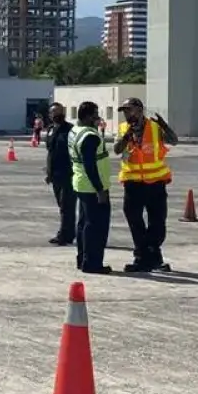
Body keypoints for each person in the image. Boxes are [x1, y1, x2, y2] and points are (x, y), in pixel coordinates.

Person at [114, 97, 178, 274]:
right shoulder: (123, 128)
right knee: (134, 220)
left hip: (155, 182)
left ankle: (151, 255)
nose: (127, 114)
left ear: (140, 110)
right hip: (133, 184)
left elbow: (174, 140)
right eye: (124, 111)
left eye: (129, 110)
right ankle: (144, 256)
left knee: (157, 223)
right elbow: (117, 149)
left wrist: (165, 126)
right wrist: (127, 136)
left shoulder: (155, 127)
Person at [68, 102, 112, 274]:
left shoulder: (75, 131)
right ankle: (92, 263)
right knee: (96, 227)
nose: (97, 117)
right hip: (93, 186)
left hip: (80, 183)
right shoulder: (90, 136)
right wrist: (100, 190)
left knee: (84, 224)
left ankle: (82, 259)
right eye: (95, 114)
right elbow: (90, 165)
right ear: (87, 116)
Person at [44, 102, 76, 246]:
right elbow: (50, 152)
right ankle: (68, 232)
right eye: (53, 112)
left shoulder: (70, 130)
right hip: (55, 174)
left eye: (59, 112)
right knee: (61, 205)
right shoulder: (51, 129)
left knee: (66, 205)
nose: (56, 115)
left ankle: (65, 234)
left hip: (68, 173)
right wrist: (48, 172)